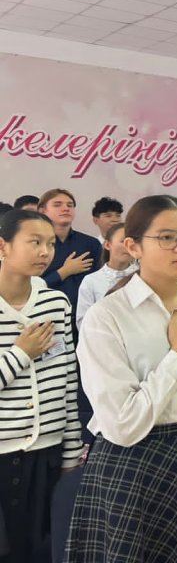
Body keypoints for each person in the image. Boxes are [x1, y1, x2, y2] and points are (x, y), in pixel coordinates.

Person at [66, 195, 177, 561]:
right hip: (134, 460)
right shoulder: (107, 317)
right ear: (133, 246)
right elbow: (122, 423)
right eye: (167, 238)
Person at [0, 209, 84, 563]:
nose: (45, 252)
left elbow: (67, 378)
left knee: (45, 550)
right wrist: (21, 353)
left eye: (49, 244)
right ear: (3, 246)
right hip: (4, 453)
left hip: (48, 451)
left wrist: (71, 451)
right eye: (34, 242)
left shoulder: (55, 302)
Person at [38, 189, 101, 339]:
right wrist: (64, 272)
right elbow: (29, 286)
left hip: (85, 318)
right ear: (42, 211)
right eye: (57, 205)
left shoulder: (90, 243)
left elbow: (99, 282)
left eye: (70, 205)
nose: (65, 208)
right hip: (46, 318)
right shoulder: (37, 244)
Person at [77, 223, 138, 330]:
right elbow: (83, 322)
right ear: (108, 245)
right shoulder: (91, 281)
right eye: (123, 241)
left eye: (133, 242)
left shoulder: (143, 276)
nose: (129, 246)